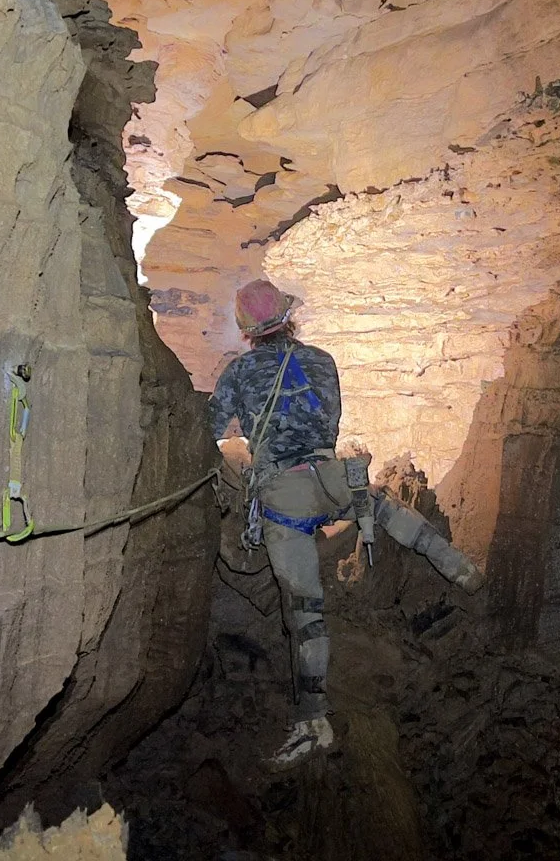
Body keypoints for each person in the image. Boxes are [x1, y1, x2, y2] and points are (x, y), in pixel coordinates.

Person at [208, 279, 486, 770]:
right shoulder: (321, 360)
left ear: (248, 330)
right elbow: (330, 423)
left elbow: (211, 429)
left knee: (306, 610)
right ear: (287, 318)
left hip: (284, 497)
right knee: (384, 508)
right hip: (333, 478)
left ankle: (314, 721)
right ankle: (459, 567)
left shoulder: (239, 372)